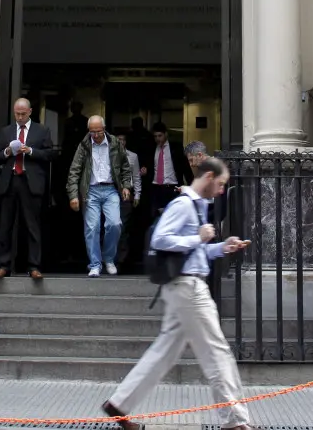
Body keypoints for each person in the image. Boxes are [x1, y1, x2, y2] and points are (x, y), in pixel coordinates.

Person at [102, 157, 252, 430]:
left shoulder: (195, 207)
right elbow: (161, 239)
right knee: (217, 351)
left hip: (182, 286)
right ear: (208, 177)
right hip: (188, 288)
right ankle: (235, 421)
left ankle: (119, 404)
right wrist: (199, 238)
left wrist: (222, 247)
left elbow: (194, 251)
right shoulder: (184, 205)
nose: (221, 191)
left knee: (164, 353)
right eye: (220, 184)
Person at [0, 98, 55, 280]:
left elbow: (50, 154)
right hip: (10, 181)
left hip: (31, 182)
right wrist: (7, 152)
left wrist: (30, 151)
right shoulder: (6, 131)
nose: (19, 117)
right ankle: (3, 265)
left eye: (22, 114)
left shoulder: (42, 130)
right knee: (5, 225)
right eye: (16, 114)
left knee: (32, 226)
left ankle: (34, 266)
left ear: (30, 112)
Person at [66, 115, 132, 277]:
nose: (95, 135)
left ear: (104, 129)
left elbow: (125, 166)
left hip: (111, 190)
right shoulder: (84, 145)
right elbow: (74, 171)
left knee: (115, 224)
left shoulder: (115, 143)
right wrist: (73, 195)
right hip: (91, 191)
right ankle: (95, 264)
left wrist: (126, 186)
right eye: (92, 132)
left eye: (98, 132)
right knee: (92, 227)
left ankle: (108, 259)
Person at [148, 122, 192, 215]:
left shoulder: (176, 148)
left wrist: (192, 188)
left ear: (166, 134)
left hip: (172, 188)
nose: (157, 139)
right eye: (155, 136)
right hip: (156, 188)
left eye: (160, 136)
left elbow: (186, 168)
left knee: (174, 215)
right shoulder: (151, 148)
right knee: (155, 217)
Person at [115, 130, 143, 267]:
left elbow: (136, 177)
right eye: (118, 139)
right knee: (110, 226)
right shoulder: (109, 155)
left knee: (123, 226)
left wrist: (137, 194)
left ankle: (121, 259)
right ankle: (110, 258)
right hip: (111, 192)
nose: (121, 142)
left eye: (123, 139)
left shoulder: (133, 156)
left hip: (127, 193)